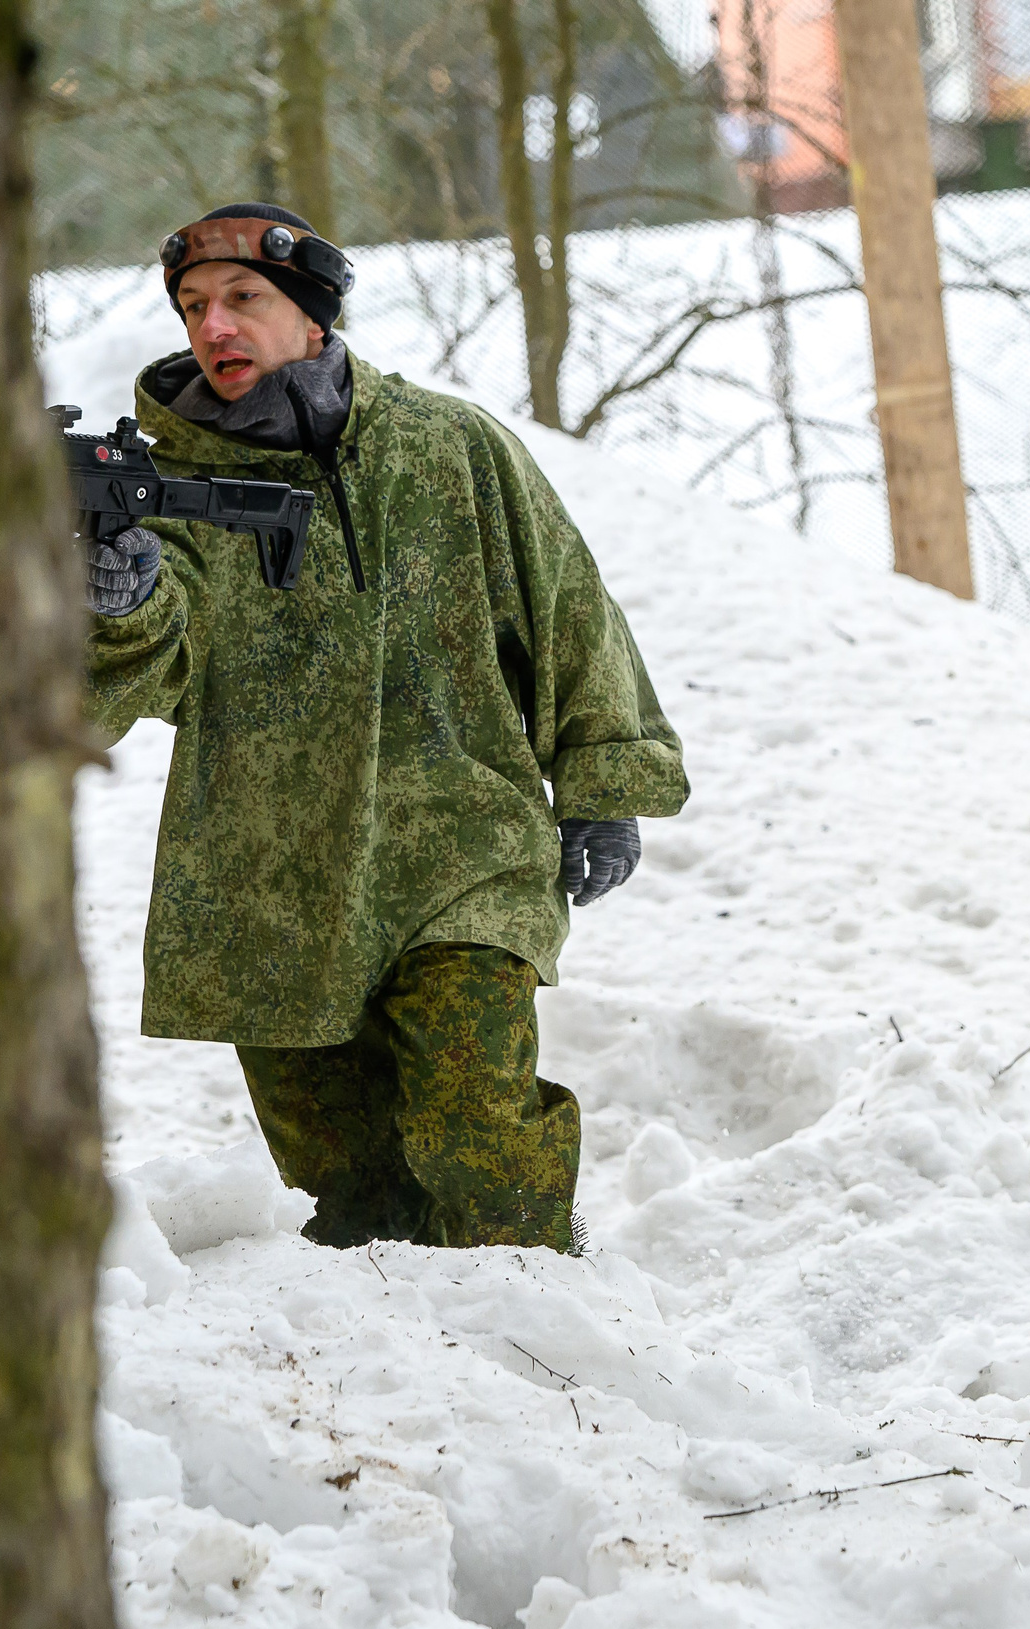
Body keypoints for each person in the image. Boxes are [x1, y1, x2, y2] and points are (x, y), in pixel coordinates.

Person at [82, 202, 689, 1252]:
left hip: (460, 853)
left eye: (243, 300)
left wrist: (603, 784)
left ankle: (548, 1353)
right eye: (192, 307)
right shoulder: (161, 494)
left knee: (482, 1142)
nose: (213, 327)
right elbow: (127, 680)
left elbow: (567, 610)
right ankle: (414, 1400)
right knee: (345, 1200)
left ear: (312, 314)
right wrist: (116, 600)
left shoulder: (446, 448)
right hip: (271, 881)